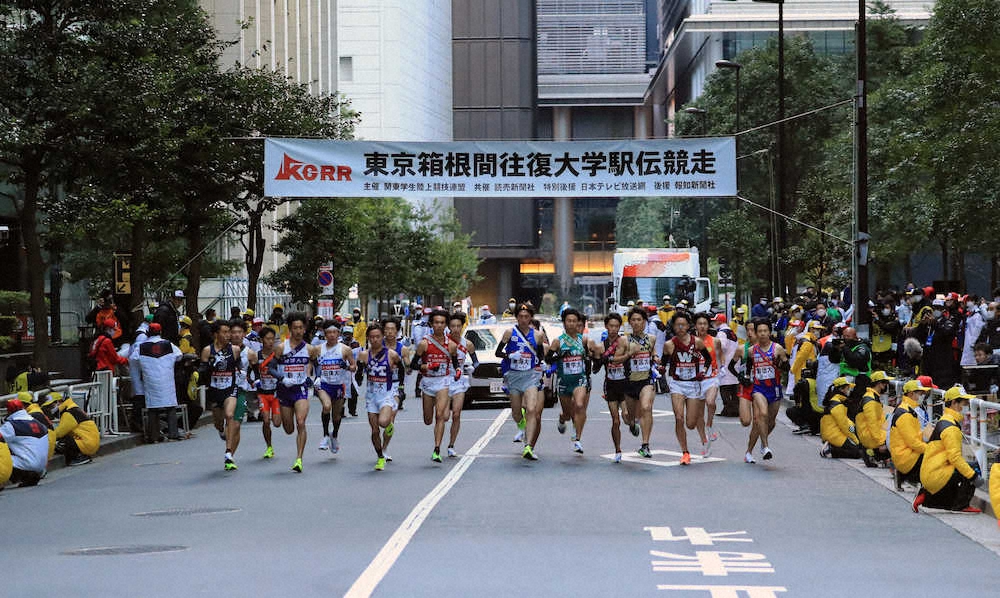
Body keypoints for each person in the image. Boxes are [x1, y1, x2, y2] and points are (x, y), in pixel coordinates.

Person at [913, 386, 982, 513]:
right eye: (964, 403)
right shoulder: (951, 428)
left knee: (965, 468)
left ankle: (926, 496)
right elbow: (955, 458)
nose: (966, 407)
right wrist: (973, 476)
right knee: (974, 469)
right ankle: (961, 505)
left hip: (931, 473)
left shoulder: (945, 420)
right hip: (937, 474)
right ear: (954, 403)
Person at [268, 312, 321, 473]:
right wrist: (282, 378)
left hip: (301, 389)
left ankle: (299, 459)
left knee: (301, 422)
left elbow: (317, 365)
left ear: (304, 329)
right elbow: (270, 368)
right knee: (289, 429)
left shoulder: (310, 349)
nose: (298, 331)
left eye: (301, 328)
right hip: (284, 390)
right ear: (290, 329)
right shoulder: (281, 348)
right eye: (295, 328)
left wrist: (317, 378)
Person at [496, 303, 548, 459]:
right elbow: (498, 352)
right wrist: (510, 356)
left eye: (526, 316)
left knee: (532, 409)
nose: (523, 319)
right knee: (516, 412)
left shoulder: (538, 335)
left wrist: (542, 364)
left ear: (531, 317)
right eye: (520, 316)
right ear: (516, 317)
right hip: (514, 376)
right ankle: (521, 424)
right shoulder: (509, 333)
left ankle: (528, 447)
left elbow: (540, 355)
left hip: (530, 376)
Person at [412, 309, 459, 463]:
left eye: (442, 323)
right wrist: (427, 366)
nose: (439, 325)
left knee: (440, 415)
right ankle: (436, 443)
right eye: (436, 322)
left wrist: (458, 371)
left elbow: (456, 364)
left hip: (443, 382)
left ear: (446, 325)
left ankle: (437, 449)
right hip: (427, 382)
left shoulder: (451, 345)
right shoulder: (424, 343)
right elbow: (413, 365)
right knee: (428, 419)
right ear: (431, 324)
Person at [546, 308, 595, 454]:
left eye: (574, 321)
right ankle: (562, 419)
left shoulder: (583, 340)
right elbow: (548, 359)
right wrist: (560, 357)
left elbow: (590, 356)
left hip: (580, 379)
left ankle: (577, 439)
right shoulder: (558, 341)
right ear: (564, 323)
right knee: (568, 414)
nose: (572, 324)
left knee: (579, 405)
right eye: (569, 321)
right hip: (564, 381)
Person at [742, 319, 788, 462]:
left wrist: (778, 364)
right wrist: (745, 378)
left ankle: (751, 450)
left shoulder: (777, 348)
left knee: (771, 422)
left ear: (769, 332)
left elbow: (787, 367)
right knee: (762, 414)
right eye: (760, 331)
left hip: (774, 388)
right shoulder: (751, 351)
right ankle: (766, 447)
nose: (762, 334)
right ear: (756, 333)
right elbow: (748, 368)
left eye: (765, 331)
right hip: (758, 388)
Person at [359, 324, 402, 471]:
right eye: (372, 337)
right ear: (368, 338)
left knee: (383, 422)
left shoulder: (391, 354)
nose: (375, 340)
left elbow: (401, 368)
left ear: (382, 337)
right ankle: (380, 457)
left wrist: (401, 387)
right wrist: (357, 373)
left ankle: (389, 425)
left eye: (378, 337)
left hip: (386, 395)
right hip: (371, 396)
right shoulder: (364, 355)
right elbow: (359, 372)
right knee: (375, 430)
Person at [199, 320, 241, 470]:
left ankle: (228, 452)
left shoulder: (235, 350)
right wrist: (206, 369)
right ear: (216, 334)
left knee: (229, 415)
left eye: (229, 332)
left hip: (230, 388)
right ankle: (221, 430)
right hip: (215, 390)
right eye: (225, 332)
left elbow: (239, 366)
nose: (228, 335)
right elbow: (203, 372)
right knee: (218, 422)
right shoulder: (207, 350)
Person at [134, 323, 183, 444]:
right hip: (167, 379)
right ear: (160, 332)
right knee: (170, 406)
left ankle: (154, 436)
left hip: (151, 380)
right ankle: (173, 434)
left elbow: (134, 358)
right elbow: (179, 355)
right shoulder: (168, 344)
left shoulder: (141, 346)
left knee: (152, 407)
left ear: (148, 332)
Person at [592, 313, 629, 462]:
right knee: (615, 420)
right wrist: (597, 358)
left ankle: (632, 424)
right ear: (606, 326)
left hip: (625, 384)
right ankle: (618, 450)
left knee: (626, 415)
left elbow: (631, 358)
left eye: (616, 326)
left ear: (620, 327)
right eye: (611, 326)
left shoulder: (624, 342)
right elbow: (595, 369)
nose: (613, 329)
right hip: (610, 385)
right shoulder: (601, 347)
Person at [315, 321, 356, 454]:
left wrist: (347, 367)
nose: (332, 335)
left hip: (338, 385)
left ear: (338, 333)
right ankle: (325, 435)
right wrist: (314, 376)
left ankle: (334, 435)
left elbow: (354, 367)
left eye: (334, 332)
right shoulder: (318, 349)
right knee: (326, 406)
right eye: (329, 333)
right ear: (325, 334)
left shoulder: (345, 349)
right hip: (324, 385)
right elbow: (312, 362)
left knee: (336, 416)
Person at [623, 307, 658, 459]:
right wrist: (629, 354)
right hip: (629, 382)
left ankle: (645, 445)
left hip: (646, 380)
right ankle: (632, 424)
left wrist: (656, 358)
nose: (636, 323)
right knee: (629, 417)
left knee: (646, 407)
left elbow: (653, 352)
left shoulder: (651, 338)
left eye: (639, 320)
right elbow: (617, 359)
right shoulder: (624, 340)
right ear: (629, 322)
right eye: (633, 320)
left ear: (644, 322)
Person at [889, 379, 930, 490]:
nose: (922, 396)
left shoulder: (907, 409)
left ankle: (904, 476)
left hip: (904, 454)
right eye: (920, 393)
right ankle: (912, 478)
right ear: (911, 394)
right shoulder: (905, 414)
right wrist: (931, 448)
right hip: (906, 457)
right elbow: (913, 442)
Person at [446, 312, 478, 457]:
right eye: (453, 326)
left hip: (458, 381)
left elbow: (476, 362)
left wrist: (472, 368)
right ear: (449, 327)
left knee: (456, 414)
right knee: (443, 416)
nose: (456, 329)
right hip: (444, 380)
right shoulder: (444, 342)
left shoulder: (468, 344)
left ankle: (451, 445)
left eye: (458, 326)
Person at [0, 399, 49, 487]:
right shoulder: (37, 422)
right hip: (42, 465)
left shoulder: (12, 425)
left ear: (9, 411)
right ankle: (30, 476)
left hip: (27, 464)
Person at [693, 313, 724, 444]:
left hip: (711, 377)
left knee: (710, 402)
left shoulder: (715, 341)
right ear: (695, 326)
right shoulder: (691, 341)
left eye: (705, 324)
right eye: (700, 324)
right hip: (696, 380)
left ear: (708, 325)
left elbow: (720, 354)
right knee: (699, 413)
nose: (702, 326)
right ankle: (703, 439)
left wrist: (722, 367)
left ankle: (709, 424)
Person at [856, 371, 894, 467]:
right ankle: (873, 453)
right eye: (885, 382)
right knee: (897, 440)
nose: (886, 385)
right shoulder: (870, 401)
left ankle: (874, 453)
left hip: (872, 434)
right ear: (879, 384)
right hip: (870, 436)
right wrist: (881, 443)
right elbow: (872, 424)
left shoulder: (872, 397)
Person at [254, 327, 280, 458]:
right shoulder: (256, 356)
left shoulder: (278, 355)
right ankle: (269, 447)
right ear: (261, 340)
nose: (270, 342)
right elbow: (250, 372)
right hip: (262, 393)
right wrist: (254, 381)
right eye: (267, 339)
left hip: (276, 394)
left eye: (272, 339)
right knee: (265, 420)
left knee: (277, 423)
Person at [52, 393, 101, 466]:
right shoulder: (73, 408)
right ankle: (80, 454)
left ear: (58, 402)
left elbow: (60, 432)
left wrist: (48, 437)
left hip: (87, 443)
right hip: (90, 442)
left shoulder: (69, 413)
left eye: (51, 405)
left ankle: (77, 457)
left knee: (65, 440)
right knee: (63, 440)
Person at [820, 378, 862, 459]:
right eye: (848, 388)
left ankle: (832, 447)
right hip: (834, 435)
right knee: (857, 452)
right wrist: (856, 440)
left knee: (856, 449)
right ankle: (830, 450)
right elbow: (844, 425)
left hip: (832, 433)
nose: (849, 391)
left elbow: (845, 421)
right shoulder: (837, 404)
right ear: (841, 389)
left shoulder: (835, 400)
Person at [786, 360, 822, 435]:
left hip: (810, 413)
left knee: (790, 411)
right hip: (823, 417)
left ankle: (804, 426)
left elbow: (796, 394)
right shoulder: (827, 381)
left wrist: (797, 402)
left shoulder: (806, 382)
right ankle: (816, 429)